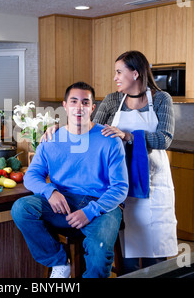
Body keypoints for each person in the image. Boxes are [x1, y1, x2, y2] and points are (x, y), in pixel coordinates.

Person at [44, 50, 178, 274]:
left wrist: (128, 136)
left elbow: (165, 139)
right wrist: (60, 129)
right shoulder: (113, 100)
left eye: (119, 72)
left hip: (153, 181)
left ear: (135, 73)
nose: (115, 77)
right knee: (126, 247)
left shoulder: (161, 99)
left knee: (155, 242)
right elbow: (87, 129)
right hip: (118, 179)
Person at [11, 82, 129, 278]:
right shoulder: (51, 138)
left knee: (100, 252)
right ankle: (58, 262)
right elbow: (31, 176)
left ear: (92, 107)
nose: (79, 107)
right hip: (64, 203)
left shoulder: (109, 139)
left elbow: (120, 188)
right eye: (74, 101)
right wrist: (50, 191)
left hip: (102, 206)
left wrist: (90, 211)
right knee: (21, 208)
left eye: (85, 102)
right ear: (65, 106)